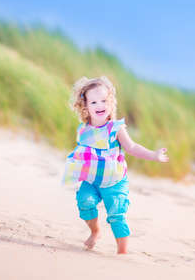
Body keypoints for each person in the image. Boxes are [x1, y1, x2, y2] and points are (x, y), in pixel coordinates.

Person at [63, 76, 169, 254]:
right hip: (92, 180)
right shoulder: (84, 130)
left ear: (110, 103)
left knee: (116, 214)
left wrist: (154, 155)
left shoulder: (115, 128)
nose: (99, 105)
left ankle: (122, 252)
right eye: (94, 101)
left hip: (115, 181)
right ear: (85, 106)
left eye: (104, 100)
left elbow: (132, 147)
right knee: (85, 202)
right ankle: (95, 232)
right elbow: (83, 153)